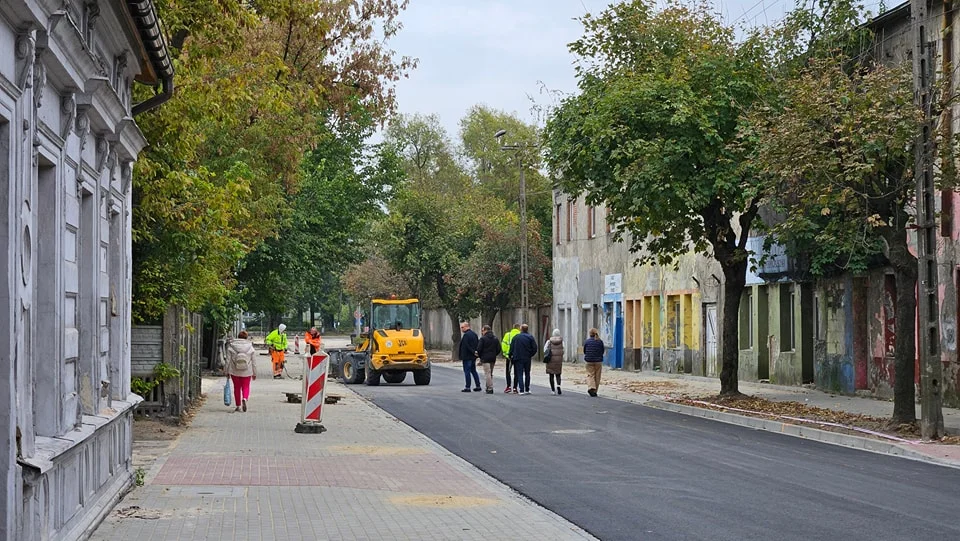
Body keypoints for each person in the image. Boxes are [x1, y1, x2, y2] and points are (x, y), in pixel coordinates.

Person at [225, 331, 257, 412]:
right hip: (247, 371)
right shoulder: (250, 347)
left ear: (238, 337)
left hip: (234, 371)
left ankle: (238, 405)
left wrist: (226, 371)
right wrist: (254, 373)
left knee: (237, 388)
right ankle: (245, 398)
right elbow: (254, 362)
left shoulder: (231, 347)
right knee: (246, 386)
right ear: (246, 337)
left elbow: (227, 361)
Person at [508, 323, 538, 395]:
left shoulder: (516, 337)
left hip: (518, 358)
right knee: (527, 373)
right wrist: (530, 354)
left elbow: (511, 348)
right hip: (527, 358)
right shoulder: (530, 337)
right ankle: (527, 389)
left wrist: (510, 355)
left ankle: (521, 389)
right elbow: (535, 348)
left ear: (521, 329)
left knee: (519, 373)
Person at [476, 325, 500, 394]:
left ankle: (490, 388)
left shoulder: (483, 339)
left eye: (482, 330)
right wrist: (494, 354)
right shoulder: (495, 338)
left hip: (485, 358)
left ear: (485, 330)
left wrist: (480, 356)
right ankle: (488, 386)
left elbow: (479, 349)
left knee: (487, 373)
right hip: (493, 358)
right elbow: (499, 348)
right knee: (490, 373)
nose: (482, 332)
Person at [458, 321, 481, 392]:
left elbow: (467, 346)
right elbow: (477, 344)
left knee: (467, 371)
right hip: (473, 357)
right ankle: (478, 385)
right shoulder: (474, 334)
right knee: (473, 371)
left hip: (467, 357)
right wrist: (475, 352)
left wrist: (473, 351)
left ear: (467, 326)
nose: (461, 329)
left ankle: (467, 387)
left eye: (462, 327)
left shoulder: (466, 335)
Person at [583, 327, 605, 397]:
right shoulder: (600, 341)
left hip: (589, 361)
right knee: (597, 376)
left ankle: (591, 387)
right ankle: (595, 391)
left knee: (590, 375)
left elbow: (584, 351)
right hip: (598, 361)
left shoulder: (587, 341)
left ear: (590, 334)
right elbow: (602, 350)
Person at [500, 323, 520, 393]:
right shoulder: (520, 335)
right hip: (517, 356)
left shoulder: (507, 335)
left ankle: (508, 386)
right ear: (519, 328)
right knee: (516, 372)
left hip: (509, 356)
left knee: (508, 371)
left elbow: (503, 344)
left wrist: (505, 354)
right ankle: (515, 387)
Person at [544, 328, 564, 395]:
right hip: (558, 360)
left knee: (551, 374)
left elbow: (545, 350)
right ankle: (558, 386)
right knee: (558, 374)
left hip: (550, 360)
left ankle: (553, 390)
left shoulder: (549, 341)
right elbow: (564, 350)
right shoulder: (561, 341)